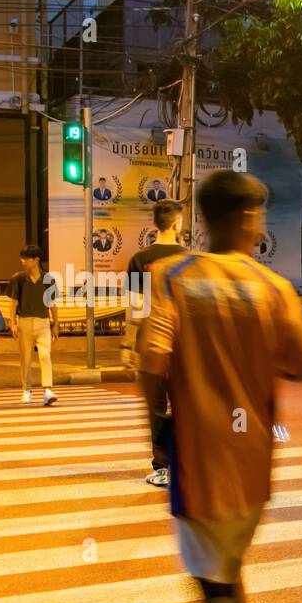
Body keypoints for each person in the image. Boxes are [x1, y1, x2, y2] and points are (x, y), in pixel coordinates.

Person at [136, 170, 302, 603]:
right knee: (228, 573)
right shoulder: (271, 286)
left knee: (212, 588)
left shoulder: (176, 278)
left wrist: (155, 428)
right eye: (260, 213)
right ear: (246, 220)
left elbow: (152, 359)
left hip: (201, 455)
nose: (261, 224)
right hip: (253, 462)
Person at [126, 200, 187, 487]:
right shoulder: (191, 259)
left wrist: (127, 345)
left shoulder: (140, 259)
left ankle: (162, 467)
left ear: (156, 224)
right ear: (177, 224)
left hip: (151, 343)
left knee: (157, 408)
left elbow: (136, 306)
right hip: (183, 344)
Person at [7, 245, 60, 405]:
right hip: (24, 322)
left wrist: (56, 323)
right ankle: (26, 390)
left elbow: (52, 303)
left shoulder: (48, 279)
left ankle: (47, 389)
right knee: (26, 358)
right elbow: (13, 303)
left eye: (26, 258)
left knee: (45, 355)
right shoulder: (18, 278)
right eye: (22, 258)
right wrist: (13, 323)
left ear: (36, 260)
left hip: (43, 322)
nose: (22, 261)